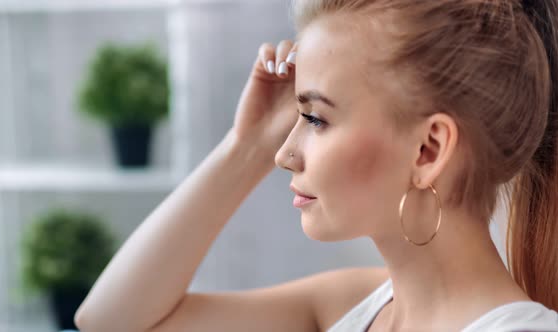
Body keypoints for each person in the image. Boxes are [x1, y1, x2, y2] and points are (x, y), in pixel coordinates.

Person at [73, 0, 558, 331]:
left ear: (428, 150)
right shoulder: (357, 307)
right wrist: (247, 145)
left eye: (316, 118)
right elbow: (110, 320)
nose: (284, 155)